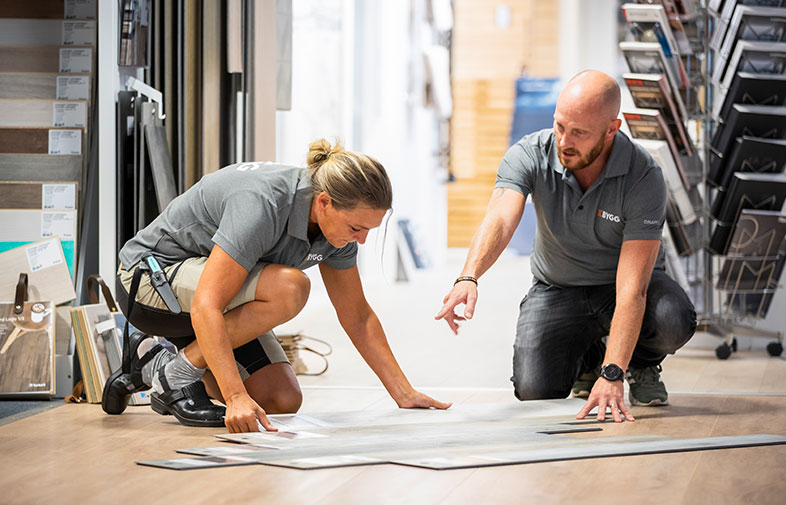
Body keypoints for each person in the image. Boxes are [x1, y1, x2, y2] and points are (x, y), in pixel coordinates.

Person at [103, 139, 450, 433]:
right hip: (148, 283)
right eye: (357, 228)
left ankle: (154, 367)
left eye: (368, 231)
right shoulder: (263, 203)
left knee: (280, 400)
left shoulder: (336, 233)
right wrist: (235, 397)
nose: (360, 240)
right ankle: (175, 375)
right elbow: (207, 302)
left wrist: (403, 392)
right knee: (290, 287)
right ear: (325, 202)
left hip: (206, 298)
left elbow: (357, 316)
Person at [435, 70, 696, 422]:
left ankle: (641, 362)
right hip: (558, 286)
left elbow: (633, 289)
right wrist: (468, 277)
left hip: (620, 285)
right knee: (534, 391)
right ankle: (589, 359)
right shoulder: (529, 153)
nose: (564, 141)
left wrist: (613, 374)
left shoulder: (643, 175)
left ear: (611, 130)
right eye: (560, 126)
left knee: (673, 319)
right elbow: (500, 218)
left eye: (579, 133)